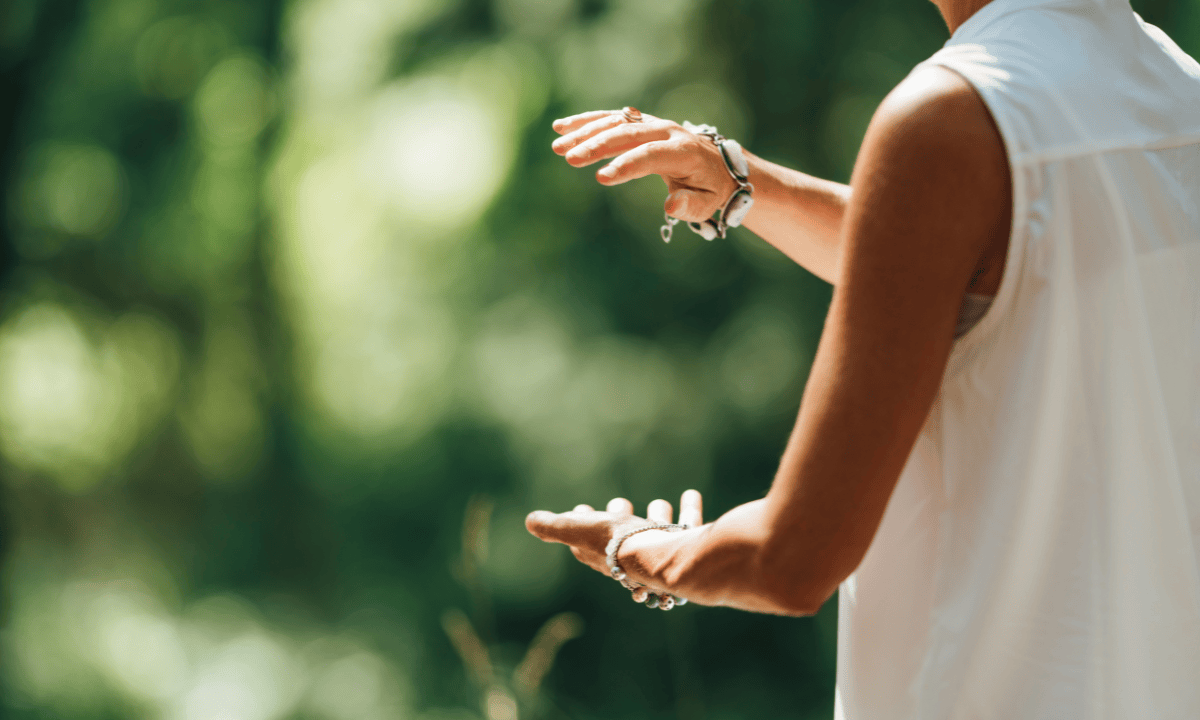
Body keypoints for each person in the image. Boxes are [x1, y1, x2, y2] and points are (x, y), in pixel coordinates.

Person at [526, 0, 1200, 716]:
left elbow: (789, 560)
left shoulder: (950, 114)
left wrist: (642, 548)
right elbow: (995, 262)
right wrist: (746, 184)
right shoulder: (1173, 91)